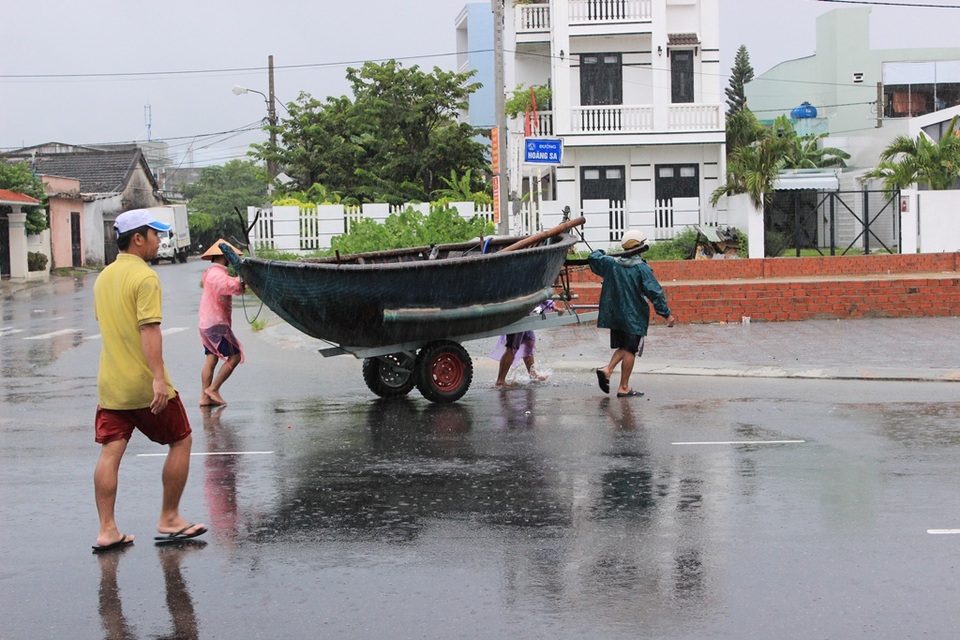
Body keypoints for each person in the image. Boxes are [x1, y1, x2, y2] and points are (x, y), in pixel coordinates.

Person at [92, 208, 206, 553]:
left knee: (111, 452)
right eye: (155, 235)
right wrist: (158, 378)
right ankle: (169, 517)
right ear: (138, 238)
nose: (160, 241)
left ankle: (107, 530)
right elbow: (149, 329)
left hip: (111, 385)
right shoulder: (144, 277)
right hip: (143, 383)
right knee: (181, 440)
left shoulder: (104, 277)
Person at [588, 230, 676, 398]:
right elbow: (655, 292)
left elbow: (593, 257)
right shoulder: (642, 269)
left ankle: (612, 375)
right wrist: (667, 314)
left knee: (626, 347)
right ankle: (619, 382)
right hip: (634, 315)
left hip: (615, 314)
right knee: (630, 349)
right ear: (640, 248)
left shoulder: (611, 263)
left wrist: (602, 252)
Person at [198, 239, 245, 407]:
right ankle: (214, 389)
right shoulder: (217, 274)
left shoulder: (212, 272)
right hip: (216, 323)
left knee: (211, 360)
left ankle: (205, 398)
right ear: (225, 257)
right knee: (235, 356)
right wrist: (242, 279)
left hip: (207, 323)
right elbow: (231, 286)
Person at [491, 300, 556, 387]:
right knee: (512, 346)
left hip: (523, 311)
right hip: (517, 313)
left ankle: (533, 374)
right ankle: (500, 381)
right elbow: (532, 292)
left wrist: (551, 305)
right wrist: (550, 305)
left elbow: (534, 294)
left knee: (529, 340)